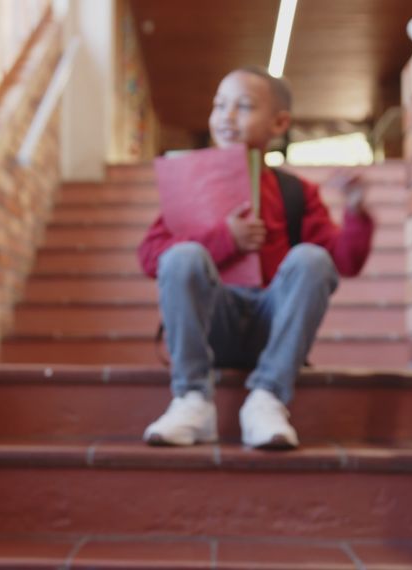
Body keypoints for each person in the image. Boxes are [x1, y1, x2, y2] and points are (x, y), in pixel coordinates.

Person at [136, 66, 374, 450]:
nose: (227, 117)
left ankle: (268, 398)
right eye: (219, 106)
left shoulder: (297, 193)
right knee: (181, 256)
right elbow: (150, 258)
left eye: (244, 106)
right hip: (214, 321)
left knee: (311, 259)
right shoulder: (191, 187)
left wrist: (356, 213)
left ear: (279, 123)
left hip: (273, 322)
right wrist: (224, 239)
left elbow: (341, 263)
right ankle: (192, 400)